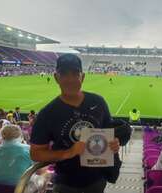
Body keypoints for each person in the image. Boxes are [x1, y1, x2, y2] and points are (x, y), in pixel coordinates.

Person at [30, 54, 131, 193]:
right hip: (66, 183)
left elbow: (109, 133)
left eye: (75, 73)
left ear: (82, 77)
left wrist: (114, 143)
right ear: (56, 77)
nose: (70, 79)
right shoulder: (47, 113)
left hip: (98, 179)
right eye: (64, 73)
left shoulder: (98, 102)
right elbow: (36, 154)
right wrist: (68, 152)